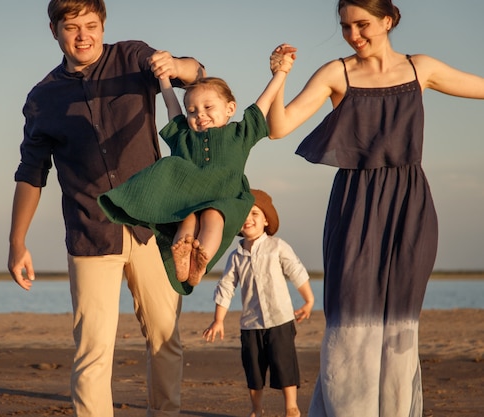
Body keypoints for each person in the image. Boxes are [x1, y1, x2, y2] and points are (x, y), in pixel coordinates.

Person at [267, 1, 484, 416]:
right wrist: (278, 77)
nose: (354, 35)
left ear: (388, 21)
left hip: (410, 204)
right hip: (355, 204)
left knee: (400, 325)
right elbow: (278, 128)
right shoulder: (337, 73)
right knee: (349, 321)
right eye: (346, 27)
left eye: (362, 25)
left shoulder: (421, 68)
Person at [7, 0, 205, 415]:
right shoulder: (43, 98)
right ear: (54, 31)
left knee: (165, 341)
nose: (83, 35)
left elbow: (196, 76)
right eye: (72, 27)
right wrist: (17, 241)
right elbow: (31, 172)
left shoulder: (133, 57)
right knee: (93, 353)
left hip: (154, 227)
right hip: (90, 232)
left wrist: (179, 65)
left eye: (91, 25)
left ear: (103, 25)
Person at [98, 52, 295, 293]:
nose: (199, 114)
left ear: (230, 108)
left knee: (213, 217)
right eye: (192, 111)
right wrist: (163, 79)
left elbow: (263, 103)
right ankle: (184, 255)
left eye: (208, 107)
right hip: (187, 197)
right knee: (188, 221)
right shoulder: (183, 136)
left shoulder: (240, 134)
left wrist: (281, 73)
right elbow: (171, 104)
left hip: (224, 196)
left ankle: (201, 262)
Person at [202, 189, 315, 417]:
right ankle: (256, 408)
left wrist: (309, 300)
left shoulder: (277, 247)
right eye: (244, 214)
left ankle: (291, 406)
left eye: (254, 213)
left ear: (266, 220)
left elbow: (296, 270)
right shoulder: (236, 256)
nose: (248, 218)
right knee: (253, 370)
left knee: (284, 365)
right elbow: (226, 287)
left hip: (280, 319)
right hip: (250, 323)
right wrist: (218, 320)